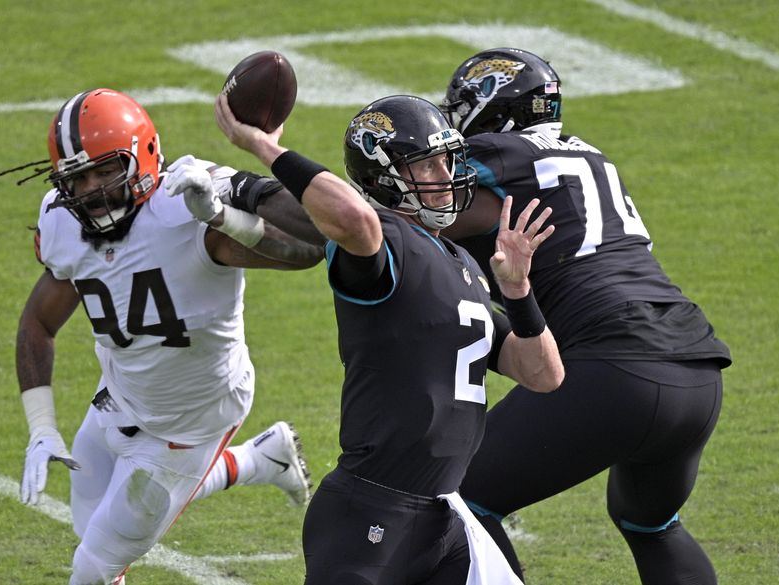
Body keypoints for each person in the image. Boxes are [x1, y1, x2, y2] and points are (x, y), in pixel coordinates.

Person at [215, 91, 564, 585]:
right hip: (372, 511)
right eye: (428, 166)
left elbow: (544, 373)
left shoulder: (462, 263)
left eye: (448, 161)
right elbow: (353, 220)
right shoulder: (382, 242)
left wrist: (518, 291)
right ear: (383, 177)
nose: (446, 177)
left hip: (446, 516)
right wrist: (263, 147)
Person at [437, 48, 733, 584]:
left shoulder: (498, 155)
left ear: (492, 110)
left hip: (616, 367)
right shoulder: (590, 155)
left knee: (462, 497)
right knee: (651, 522)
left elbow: (407, 216)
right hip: (695, 366)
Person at [10, 88, 323, 585]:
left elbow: (312, 246)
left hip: (193, 420)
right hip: (119, 399)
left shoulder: (186, 199)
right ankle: (261, 459)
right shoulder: (64, 222)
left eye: (105, 171)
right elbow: (38, 324)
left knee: (93, 568)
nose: (91, 190)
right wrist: (42, 426)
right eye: (78, 177)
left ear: (146, 154)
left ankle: (250, 458)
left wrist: (222, 213)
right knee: (92, 530)